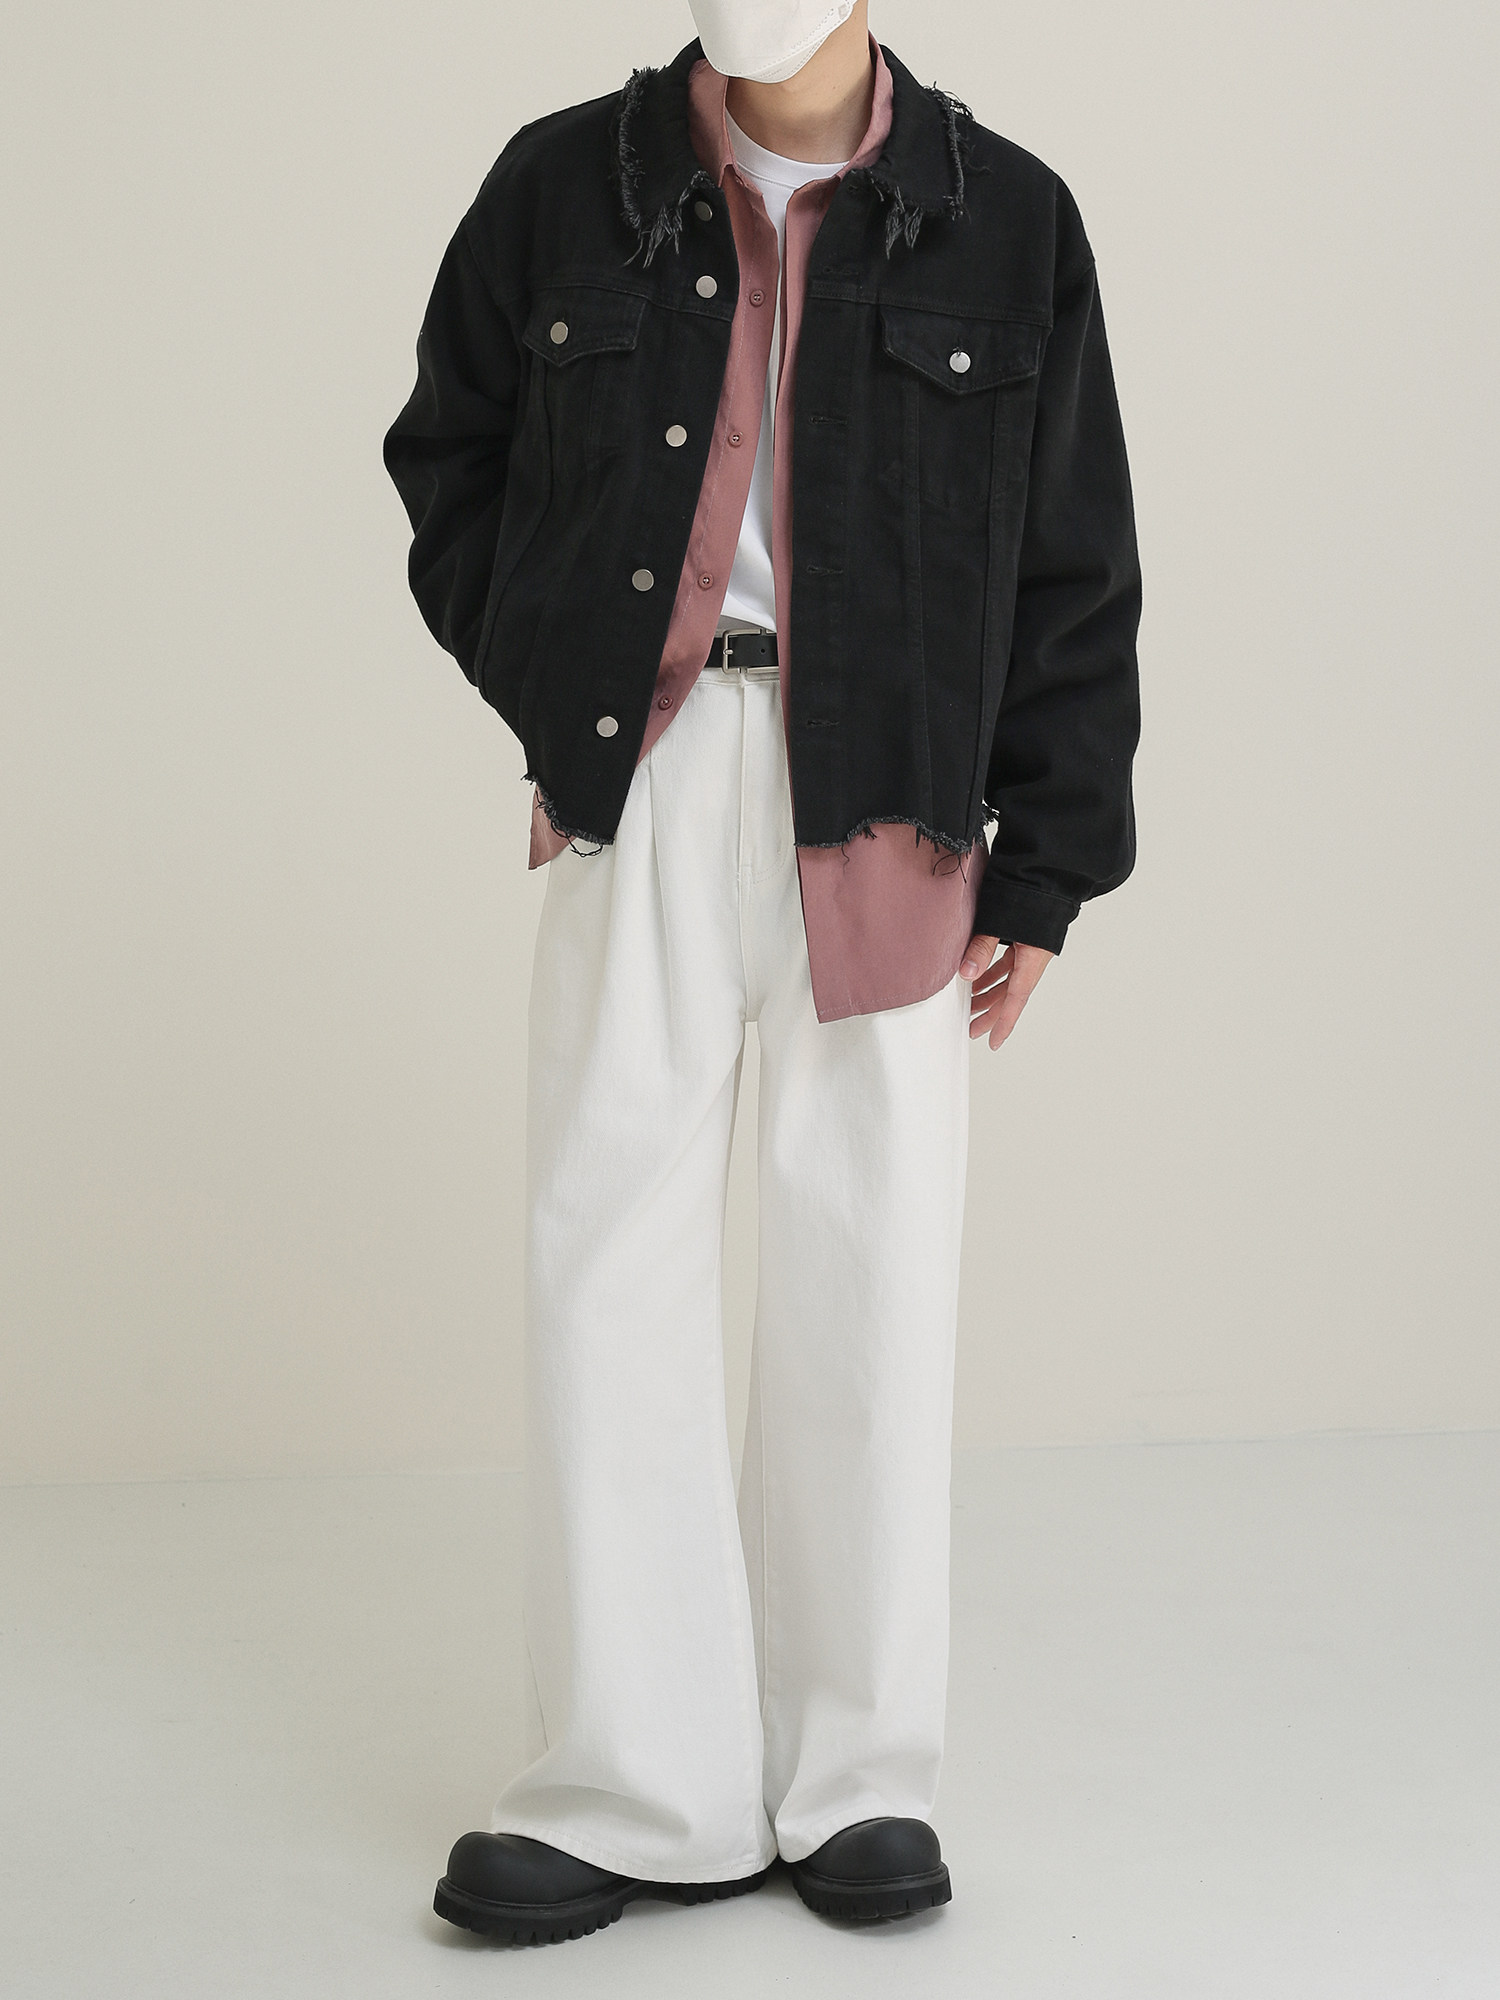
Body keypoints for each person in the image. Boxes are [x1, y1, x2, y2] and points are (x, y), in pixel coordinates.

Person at [383, 0, 1140, 1947]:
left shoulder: (1007, 217)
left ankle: (855, 1774)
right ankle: (634, 1782)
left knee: (868, 1270)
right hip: (644, 776)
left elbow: (1074, 559)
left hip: (888, 789)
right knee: (603, 1259)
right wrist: (566, 689)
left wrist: (1049, 860)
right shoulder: (568, 186)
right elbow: (449, 457)